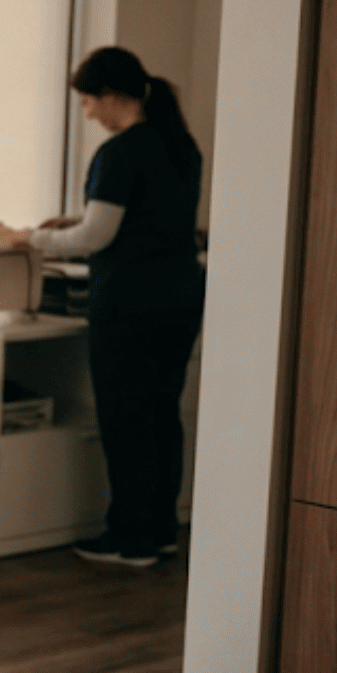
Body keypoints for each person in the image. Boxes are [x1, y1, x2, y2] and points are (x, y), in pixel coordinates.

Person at [28, 47, 204, 568]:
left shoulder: (120, 153)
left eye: (87, 103)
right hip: (179, 299)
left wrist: (32, 239)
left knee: (126, 422)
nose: (87, 114)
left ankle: (129, 538)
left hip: (130, 306)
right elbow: (144, 218)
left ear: (109, 96)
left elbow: (96, 236)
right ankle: (161, 531)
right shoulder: (179, 144)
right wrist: (73, 221)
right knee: (161, 416)